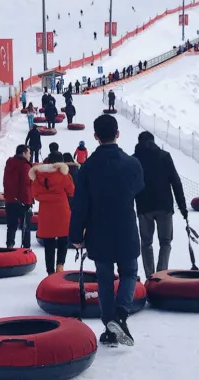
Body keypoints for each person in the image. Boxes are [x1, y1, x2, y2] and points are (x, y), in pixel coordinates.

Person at [69, 115, 144, 348]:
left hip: (98, 230)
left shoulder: (88, 167)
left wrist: (76, 235)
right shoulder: (132, 164)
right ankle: (121, 313)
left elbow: (80, 204)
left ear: (95, 136)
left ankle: (109, 327)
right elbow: (138, 189)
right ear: (117, 134)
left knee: (104, 278)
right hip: (125, 228)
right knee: (129, 273)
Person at [133, 131, 187, 279]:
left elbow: (129, 186)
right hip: (164, 206)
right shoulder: (164, 156)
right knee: (165, 242)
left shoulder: (134, 160)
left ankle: (150, 276)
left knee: (146, 243)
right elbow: (175, 182)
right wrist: (182, 207)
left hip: (144, 208)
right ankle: (161, 276)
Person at [30, 151, 75, 274]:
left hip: (46, 212)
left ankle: (50, 271)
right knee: (63, 239)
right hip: (62, 211)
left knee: (49, 242)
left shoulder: (38, 176)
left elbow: (35, 194)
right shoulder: (64, 175)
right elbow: (71, 191)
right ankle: (60, 265)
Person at [3, 145, 33, 248]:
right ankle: (26, 248)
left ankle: (9, 246)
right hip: (22, 201)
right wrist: (28, 201)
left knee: (11, 226)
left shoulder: (9, 164)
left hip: (10, 199)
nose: (30, 155)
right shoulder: (25, 166)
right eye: (28, 153)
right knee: (25, 227)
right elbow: (26, 184)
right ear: (24, 153)